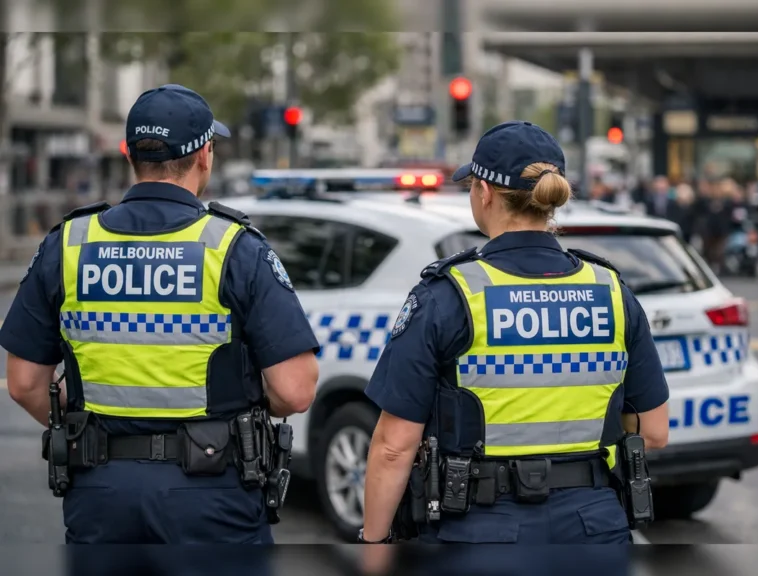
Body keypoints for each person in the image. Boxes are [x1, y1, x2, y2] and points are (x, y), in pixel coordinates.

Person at [0, 84, 319, 544]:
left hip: (101, 496)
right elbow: (294, 390)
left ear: (129, 153)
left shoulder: (69, 244)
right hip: (212, 496)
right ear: (205, 155)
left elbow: (24, 383)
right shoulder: (234, 249)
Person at [360, 121, 670, 545]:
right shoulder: (611, 291)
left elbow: (394, 447)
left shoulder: (450, 295)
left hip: (480, 531)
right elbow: (653, 431)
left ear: (484, 192)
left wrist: (373, 544)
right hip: (594, 529)